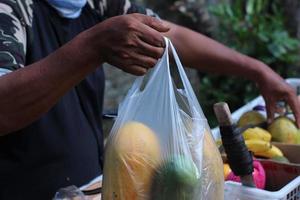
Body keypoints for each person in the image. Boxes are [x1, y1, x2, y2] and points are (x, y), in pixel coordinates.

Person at [0, 0, 299, 199]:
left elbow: (168, 36)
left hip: (90, 187)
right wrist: (92, 46)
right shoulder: (11, 10)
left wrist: (256, 70)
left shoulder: (96, 2)